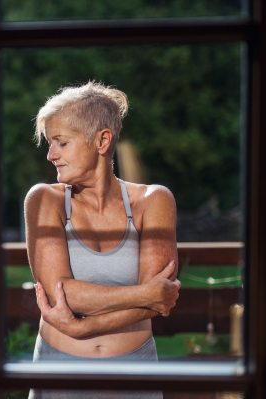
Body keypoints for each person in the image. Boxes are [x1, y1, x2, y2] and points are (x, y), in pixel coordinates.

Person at [24, 81, 181, 399]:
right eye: (50, 144)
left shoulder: (153, 200)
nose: (50, 155)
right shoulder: (43, 199)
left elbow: (159, 300)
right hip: (59, 371)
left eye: (61, 143)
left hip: (135, 370)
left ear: (102, 140)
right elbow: (62, 294)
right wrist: (144, 293)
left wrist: (84, 327)